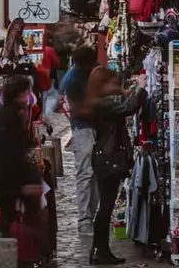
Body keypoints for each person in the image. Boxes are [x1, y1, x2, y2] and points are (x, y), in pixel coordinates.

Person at [88, 68, 147, 265]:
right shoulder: (102, 103)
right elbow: (127, 108)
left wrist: (129, 91)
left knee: (105, 205)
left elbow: (123, 105)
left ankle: (100, 249)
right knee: (105, 206)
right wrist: (141, 88)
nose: (116, 86)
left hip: (105, 157)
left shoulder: (101, 101)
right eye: (113, 83)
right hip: (107, 158)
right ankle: (99, 250)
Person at [0, 76, 44, 238]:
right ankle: (27, 252)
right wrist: (28, 180)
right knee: (28, 215)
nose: (28, 98)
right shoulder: (14, 115)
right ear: (18, 95)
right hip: (11, 177)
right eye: (26, 94)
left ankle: (8, 252)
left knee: (8, 216)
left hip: (0, 174)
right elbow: (14, 151)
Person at [62, 46, 99, 240]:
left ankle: (92, 215)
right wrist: (100, 107)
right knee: (85, 173)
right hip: (82, 129)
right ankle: (85, 219)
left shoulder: (88, 72)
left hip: (91, 127)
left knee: (94, 173)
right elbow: (77, 110)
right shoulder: (73, 80)